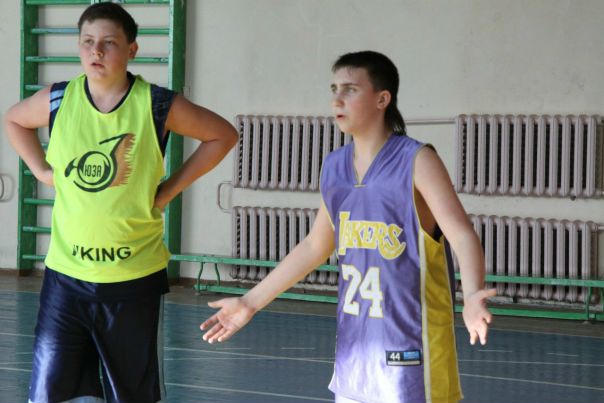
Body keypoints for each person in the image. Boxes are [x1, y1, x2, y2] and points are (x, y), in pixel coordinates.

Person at [200, 50, 496, 403]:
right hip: (355, 355)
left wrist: (472, 293)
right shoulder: (334, 166)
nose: (337, 99)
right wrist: (250, 302)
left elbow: (461, 234)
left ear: (382, 99)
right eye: (334, 89)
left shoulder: (417, 160)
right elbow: (315, 245)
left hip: (412, 351)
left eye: (350, 90)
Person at [4, 3, 238, 403]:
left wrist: (169, 189)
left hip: (132, 279)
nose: (96, 51)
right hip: (66, 279)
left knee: (131, 395)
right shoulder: (58, 100)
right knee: (48, 393)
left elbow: (222, 135)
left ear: (131, 50)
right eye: (88, 42)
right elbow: (14, 119)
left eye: (109, 43)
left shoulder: (156, 104)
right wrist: (41, 170)